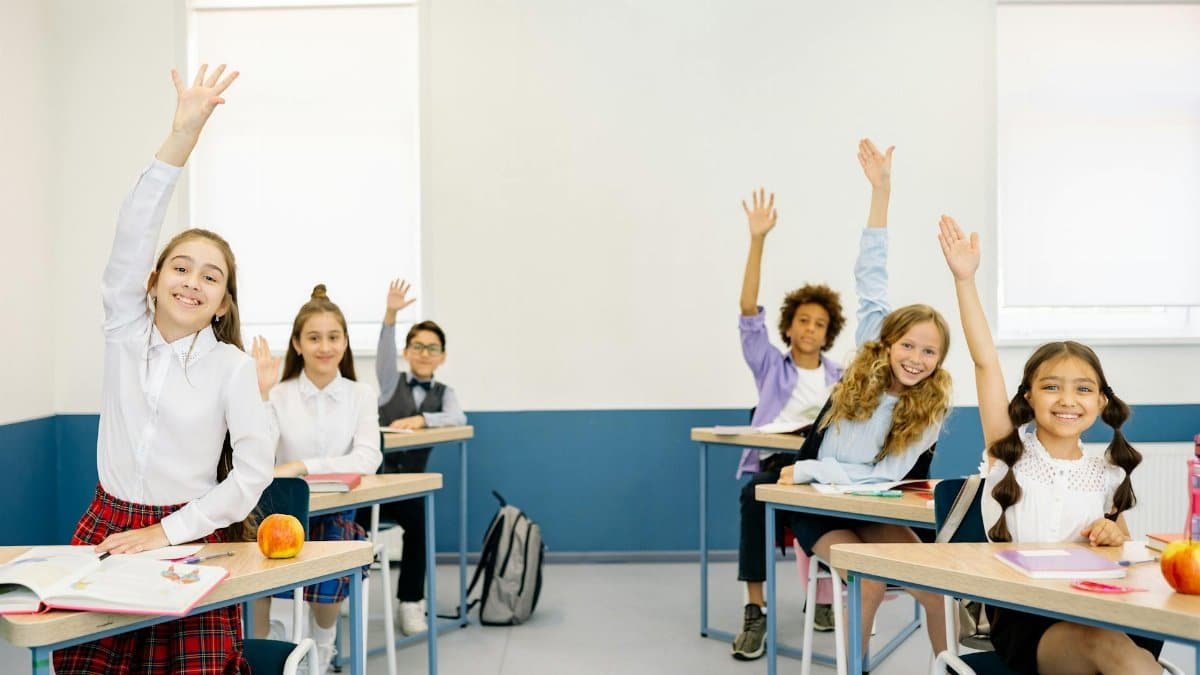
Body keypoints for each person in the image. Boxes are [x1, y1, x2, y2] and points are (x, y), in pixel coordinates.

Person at [938, 214, 1161, 675]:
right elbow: (985, 363)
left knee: (1129, 650)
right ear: (1028, 397)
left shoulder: (1110, 473)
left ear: (1101, 402)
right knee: (1117, 654)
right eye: (1051, 387)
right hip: (1029, 625)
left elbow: (1116, 560)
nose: (1067, 400)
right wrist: (965, 280)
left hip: (1098, 611)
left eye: (1083, 389)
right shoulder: (1008, 455)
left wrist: (1114, 538)